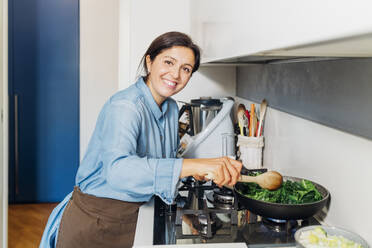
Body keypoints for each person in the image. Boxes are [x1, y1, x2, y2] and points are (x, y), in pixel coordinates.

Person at [39, 31, 242, 248]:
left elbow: (160, 162)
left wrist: (191, 176)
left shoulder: (171, 108)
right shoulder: (125, 106)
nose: (175, 74)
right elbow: (119, 171)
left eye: (186, 69)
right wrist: (190, 165)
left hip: (128, 217)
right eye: (169, 62)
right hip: (95, 221)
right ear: (149, 61)